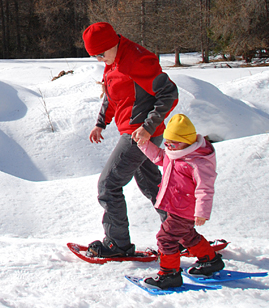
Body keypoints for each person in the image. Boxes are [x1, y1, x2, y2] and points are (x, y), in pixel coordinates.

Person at [82, 22, 178, 258]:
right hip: (136, 131)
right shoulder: (113, 60)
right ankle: (181, 236)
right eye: (94, 56)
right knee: (153, 186)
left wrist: (147, 127)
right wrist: (100, 122)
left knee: (108, 185)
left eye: (100, 54)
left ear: (110, 44)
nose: (98, 60)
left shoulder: (136, 60)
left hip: (140, 134)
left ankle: (117, 244)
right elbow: (112, 94)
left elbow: (169, 94)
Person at [137, 114, 225, 289]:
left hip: (186, 209)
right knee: (187, 236)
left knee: (166, 238)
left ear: (187, 141)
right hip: (176, 206)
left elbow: (205, 188)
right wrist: (144, 144)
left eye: (173, 143)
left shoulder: (198, 162)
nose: (168, 146)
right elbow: (160, 157)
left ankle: (169, 275)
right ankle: (210, 260)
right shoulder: (175, 152)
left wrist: (202, 212)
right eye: (167, 142)